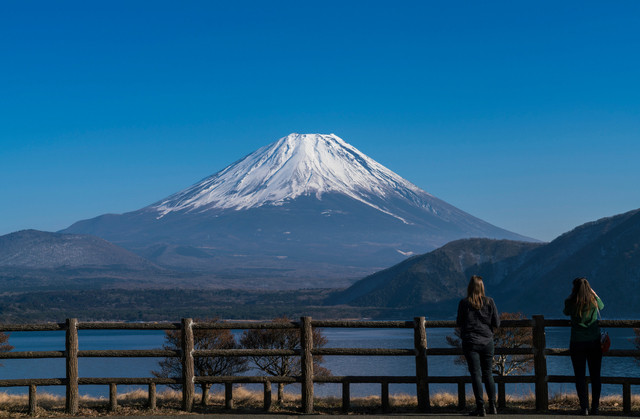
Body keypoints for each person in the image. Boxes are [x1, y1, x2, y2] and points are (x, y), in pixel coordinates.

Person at [457, 275, 500, 416]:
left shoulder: (464, 303)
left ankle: (480, 407)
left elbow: (459, 322)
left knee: (476, 374)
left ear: (470, 287)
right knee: (488, 373)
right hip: (487, 341)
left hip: (470, 342)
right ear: (482, 287)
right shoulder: (490, 302)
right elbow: (497, 323)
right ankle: (493, 406)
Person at [563, 277, 605, 416]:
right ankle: (595, 408)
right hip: (594, 342)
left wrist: (571, 295)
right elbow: (602, 306)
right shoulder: (594, 301)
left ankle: (584, 408)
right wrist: (595, 294)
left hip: (577, 342)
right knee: (595, 376)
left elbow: (565, 312)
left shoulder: (571, 302)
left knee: (580, 376)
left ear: (574, 289)